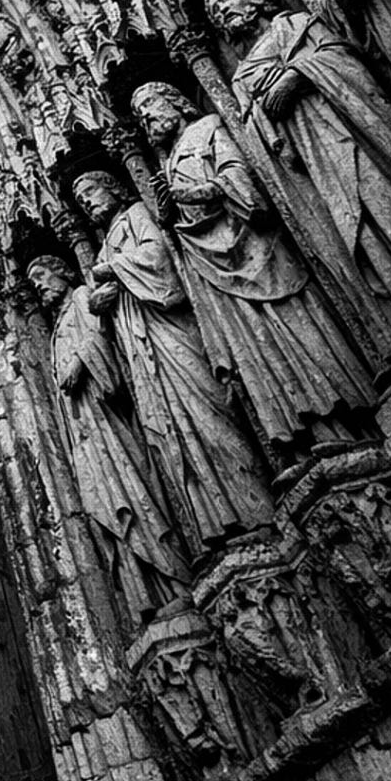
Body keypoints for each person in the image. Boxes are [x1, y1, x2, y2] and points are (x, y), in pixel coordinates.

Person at [132, 82, 373, 455]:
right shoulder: (168, 162)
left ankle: (343, 423)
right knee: (256, 348)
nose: (146, 116)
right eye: (138, 114)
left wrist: (195, 193)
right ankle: (300, 438)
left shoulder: (208, 127)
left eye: (149, 102)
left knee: (292, 326)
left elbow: (241, 180)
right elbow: (180, 228)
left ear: (175, 101)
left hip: (253, 249)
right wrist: (168, 212)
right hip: (213, 266)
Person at [210, 0, 391, 358]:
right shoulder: (240, 78)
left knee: (386, 202)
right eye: (215, 12)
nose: (223, 10)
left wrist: (298, 74)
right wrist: (266, 120)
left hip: (345, 130)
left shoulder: (294, 24)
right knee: (355, 232)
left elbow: (343, 55)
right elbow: (253, 133)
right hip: (307, 162)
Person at [73, 169, 273, 548]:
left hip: (169, 332)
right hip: (138, 349)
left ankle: (256, 509)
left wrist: (114, 270)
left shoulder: (136, 214)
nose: (86, 202)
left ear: (114, 188)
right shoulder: (102, 248)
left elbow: (161, 260)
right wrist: (99, 303)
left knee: (207, 412)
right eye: (81, 201)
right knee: (169, 434)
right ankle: (213, 527)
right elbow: (104, 313)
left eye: (90, 191)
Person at [27, 255, 190, 626]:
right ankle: (146, 598)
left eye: (41, 275)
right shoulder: (57, 324)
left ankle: (176, 581)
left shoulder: (82, 297)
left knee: (132, 493)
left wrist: (80, 362)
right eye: (33, 282)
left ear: (63, 271)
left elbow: (105, 341)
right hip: (85, 430)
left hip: (108, 422)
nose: (38, 285)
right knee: (103, 504)